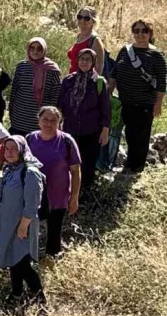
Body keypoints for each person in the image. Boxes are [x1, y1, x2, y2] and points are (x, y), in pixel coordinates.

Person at [0, 135, 46, 305]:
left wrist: (23, 226)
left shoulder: (29, 172)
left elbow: (32, 203)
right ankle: (16, 294)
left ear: (22, 150)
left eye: (14, 149)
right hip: (8, 225)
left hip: (22, 225)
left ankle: (40, 300)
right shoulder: (9, 169)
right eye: (7, 149)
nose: (9, 152)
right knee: (13, 260)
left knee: (22, 263)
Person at [109, 19, 166, 172]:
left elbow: (161, 82)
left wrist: (158, 103)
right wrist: (108, 93)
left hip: (145, 102)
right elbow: (114, 72)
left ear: (150, 33)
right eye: (137, 31)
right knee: (129, 132)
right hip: (125, 100)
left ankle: (136, 167)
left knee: (141, 134)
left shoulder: (156, 55)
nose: (140, 34)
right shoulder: (125, 50)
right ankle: (130, 163)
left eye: (144, 31)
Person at [26, 106, 81, 259]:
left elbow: (75, 171)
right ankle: (29, 257)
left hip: (58, 195)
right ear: (39, 121)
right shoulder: (30, 139)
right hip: (34, 194)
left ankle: (52, 258)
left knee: (54, 229)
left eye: (53, 120)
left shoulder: (66, 141)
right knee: (30, 227)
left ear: (59, 122)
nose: (49, 124)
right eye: (45, 120)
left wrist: (74, 197)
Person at [58, 48, 110, 189]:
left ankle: (85, 192)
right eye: (82, 59)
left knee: (88, 163)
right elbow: (60, 105)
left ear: (93, 62)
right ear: (77, 60)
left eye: (88, 59)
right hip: (70, 129)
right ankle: (69, 191)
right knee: (70, 161)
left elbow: (105, 108)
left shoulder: (99, 82)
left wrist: (105, 131)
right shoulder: (68, 80)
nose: (84, 62)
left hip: (91, 130)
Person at [9, 37, 62, 136]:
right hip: (19, 117)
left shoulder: (52, 69)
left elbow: (55, 95)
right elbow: (14, 90)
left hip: (40, 120)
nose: (35, 51)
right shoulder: (22, 66)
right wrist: (11, 111)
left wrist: (49, 116)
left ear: (44, 50)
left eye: (39, 48)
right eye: (32, 48)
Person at [68, 6, 106, 74]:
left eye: (86, 18)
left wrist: (92, 83)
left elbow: (99, 68)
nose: (82, 20)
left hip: (86, 81)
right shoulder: (79, 36)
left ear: (93, 21)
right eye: (80, 17)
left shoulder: (95, 40)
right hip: (72, 79)